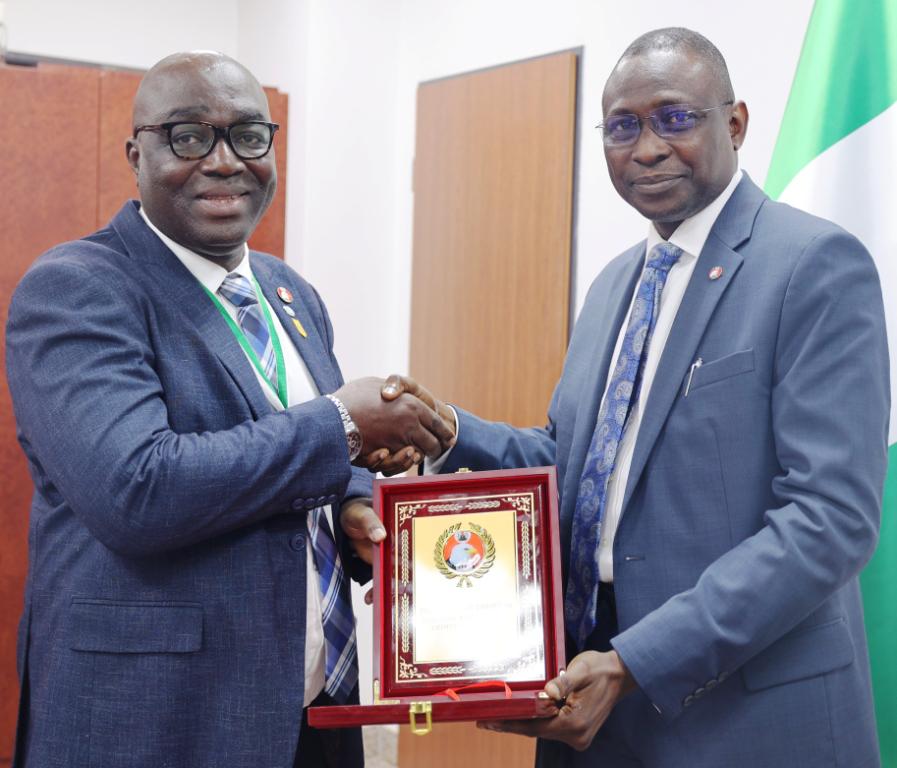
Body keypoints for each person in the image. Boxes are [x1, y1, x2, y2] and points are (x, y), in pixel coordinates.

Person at [385, 28, 889, 767]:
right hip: (590, 695)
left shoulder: (812, 265)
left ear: (735, 124)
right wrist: (447, 429)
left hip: (741, 709)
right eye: (622, 127)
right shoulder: (615, 284)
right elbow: (578, 462)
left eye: (674, 118)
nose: (647, 148)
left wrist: (635, 661)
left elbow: (829, 519)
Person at [4, 51, 454, 768]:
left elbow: (306, 459)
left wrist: (354, 506)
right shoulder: (78, 288)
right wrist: (344, 424)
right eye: (188, 136)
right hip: (155, 720)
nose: (223, 161)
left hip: (310, 710)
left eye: (248, 135)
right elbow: (138, 489)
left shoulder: (288, 292)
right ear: (137, 154)